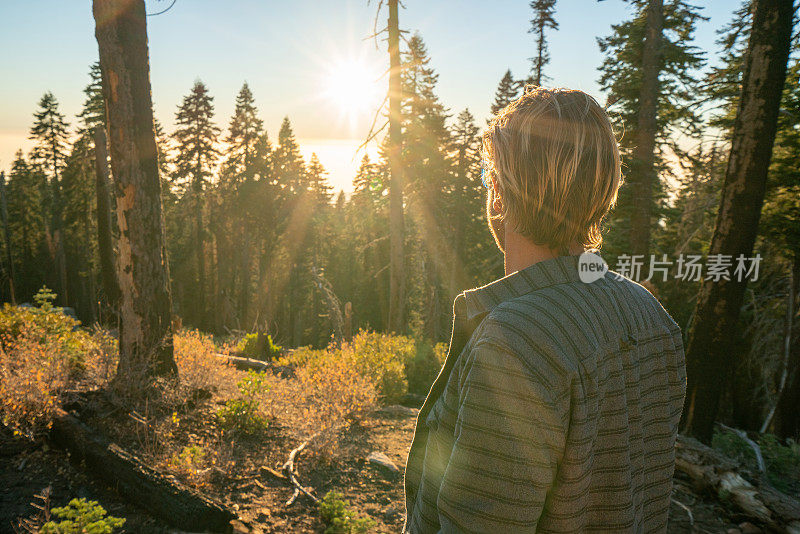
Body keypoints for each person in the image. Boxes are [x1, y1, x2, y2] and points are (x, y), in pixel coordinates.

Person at [403, 86, 686, 533]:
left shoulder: (517, 341)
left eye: (486, 177)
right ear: (604, 188)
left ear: (498, 191)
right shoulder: (650, 315)